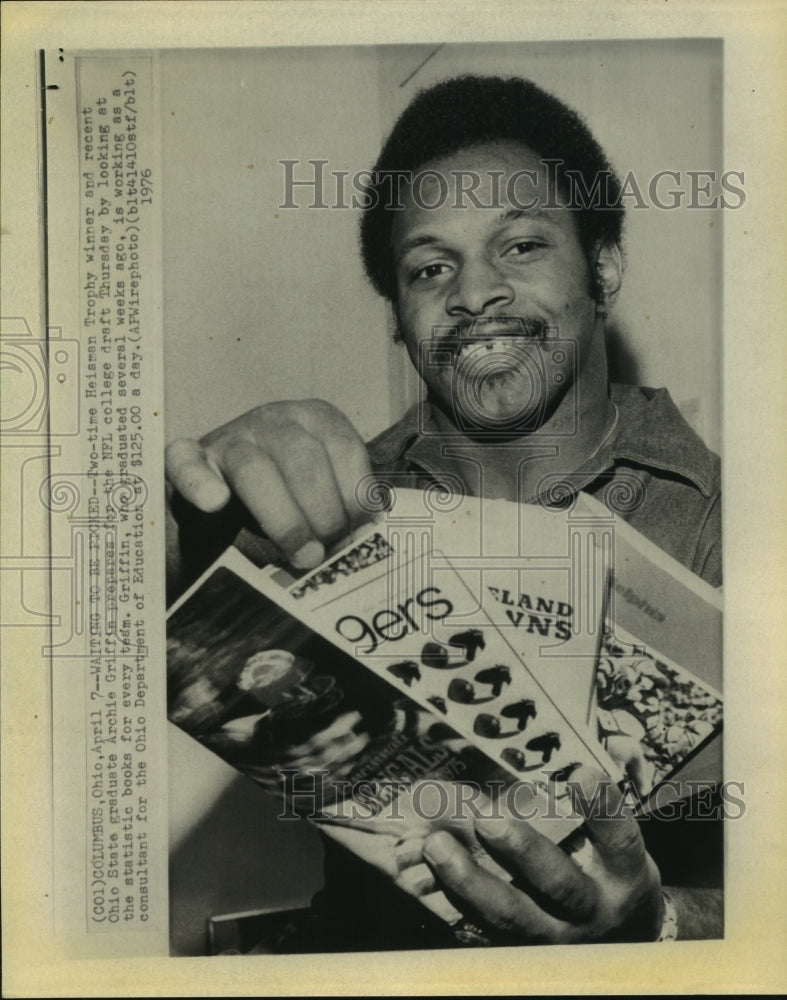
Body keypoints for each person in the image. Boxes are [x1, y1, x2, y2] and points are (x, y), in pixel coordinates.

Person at [165, 75, 722, 946]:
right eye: (430, 268)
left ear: (603, 268)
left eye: (521, 245)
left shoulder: (736, 522)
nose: (473, 294)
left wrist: (661, 924)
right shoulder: (328, 503)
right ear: (399, 316)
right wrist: (178, 517)